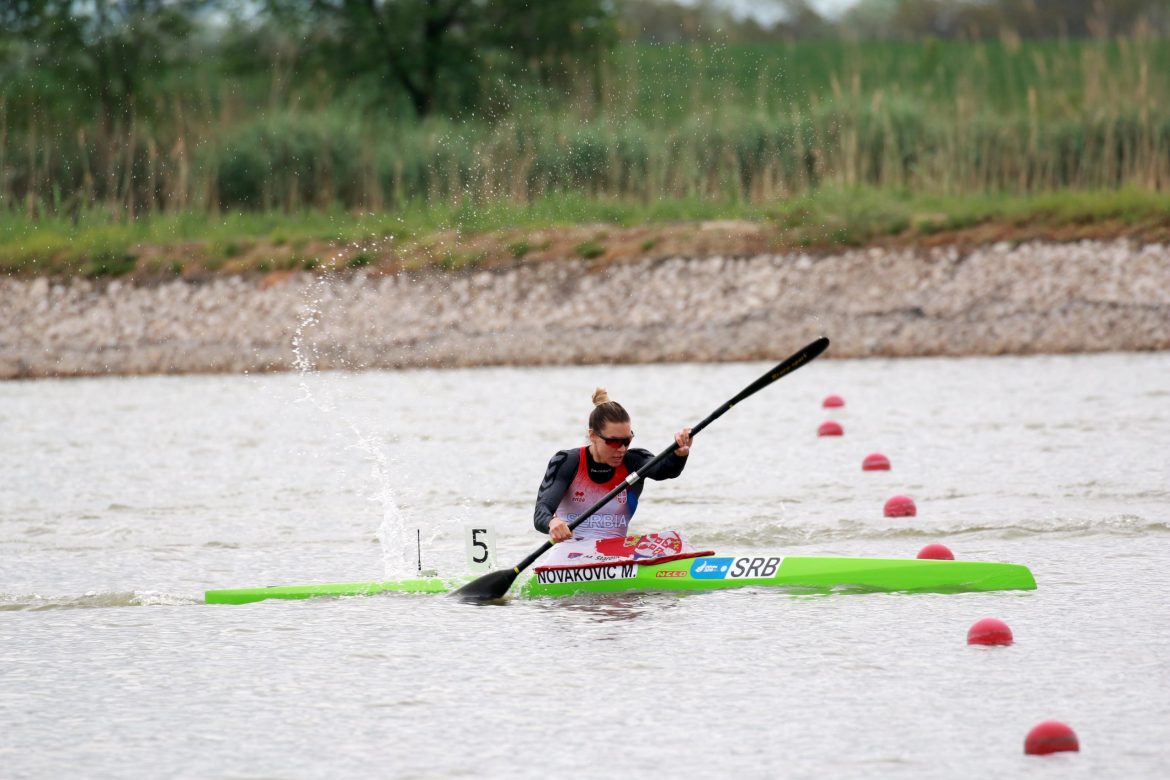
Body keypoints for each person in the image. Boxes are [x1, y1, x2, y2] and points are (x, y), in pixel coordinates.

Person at [534, 388, 693, 543]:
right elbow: (541, 513)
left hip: (615, 555)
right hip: (569, 556)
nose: (622, 449)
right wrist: (552, 522)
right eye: (614, 442)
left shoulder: (634, 461)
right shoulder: (567, 462)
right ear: (593, 435)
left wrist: (679, 453)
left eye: (626, 441)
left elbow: (667, 470)